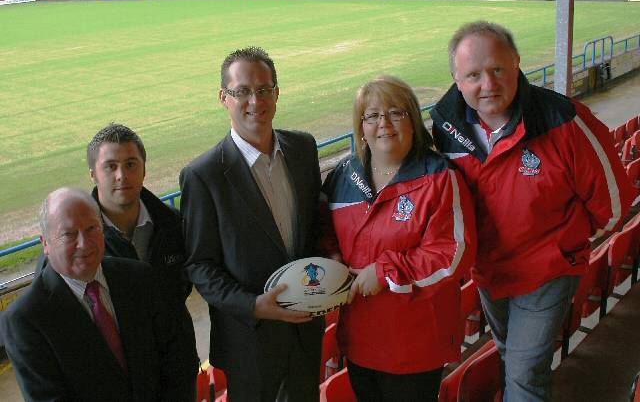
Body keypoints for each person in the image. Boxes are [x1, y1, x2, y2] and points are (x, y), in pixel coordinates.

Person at [430, 21, 634, 401]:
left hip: (547, 272)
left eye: (497, 69)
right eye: (473, 74)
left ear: (517, 63)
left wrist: (561, 244)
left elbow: (613, 205)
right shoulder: (443, 128)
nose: (488, 84)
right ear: (456, 80)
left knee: (525, 374)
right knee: (513, 359)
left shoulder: (564, 120)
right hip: (490, 272)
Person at [180, 46, 324, 402]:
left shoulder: (303, 149)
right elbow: (200, 265)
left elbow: (315, 230)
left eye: (263, 89)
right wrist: (253, 304)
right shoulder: (204, 175)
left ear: (276, 93)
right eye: (241, 91)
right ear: (223, 98)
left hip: (306, 330)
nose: (254, 101)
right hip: (250, 341)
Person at [320, 75, 477, 401]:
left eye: (396, 112)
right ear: (360, 126)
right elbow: (324, 233)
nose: (384, 124)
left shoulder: (439, 177)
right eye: (372, 115)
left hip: (414, 344)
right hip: (360, 340)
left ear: (413, 119)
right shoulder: (343, 175)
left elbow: (453, 253)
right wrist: (333, 259)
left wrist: (385, 270)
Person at [36, 123, 199, 396]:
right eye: (110, 166)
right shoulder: (70, 249)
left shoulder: (173, 225)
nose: (122, 175)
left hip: (176, 373)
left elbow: (181, 288)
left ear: (144, 168)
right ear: (93, 174)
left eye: (131, 164)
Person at [1, 188, 193, 402]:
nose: (84, 243)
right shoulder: (25, 320)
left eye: (92, 228)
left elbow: (177, 361)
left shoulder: (139, 278)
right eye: (69, 234)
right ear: (45, 243)